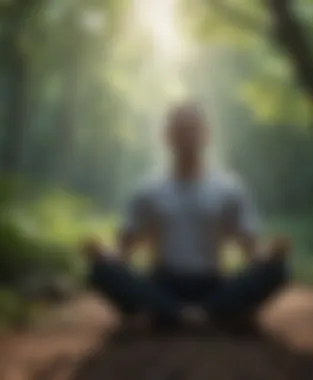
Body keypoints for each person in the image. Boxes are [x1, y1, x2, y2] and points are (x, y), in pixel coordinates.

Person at [83, 102, 289, 331]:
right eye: (179, 130)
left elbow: (251, 251)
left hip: (211, 283)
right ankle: (205, 315)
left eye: (193, 129)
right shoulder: (147, 190)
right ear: (166, 136)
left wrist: (271, 254)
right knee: (102, 271)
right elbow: (123, 252)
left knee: (276, 270)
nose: (187, 137)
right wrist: (102, 254)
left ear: (206, 135)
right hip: (162, 283)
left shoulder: (229, 188)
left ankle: (174, 315)